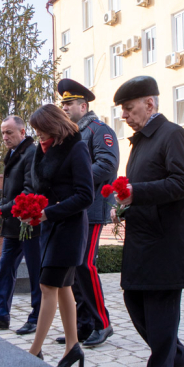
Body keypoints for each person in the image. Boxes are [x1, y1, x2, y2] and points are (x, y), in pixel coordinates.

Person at [111, 75, 184, 367]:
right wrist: (123, 206)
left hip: (166, 241)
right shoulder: (141, 141)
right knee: (134, 301)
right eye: (122, 110)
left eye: (129, 108)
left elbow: (181, 185)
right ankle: (175, 354)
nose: (124, 115)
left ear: (150, 104)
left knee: (160, 311)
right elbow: (143, 187)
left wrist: (135, 192)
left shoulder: (172, 135)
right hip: (142, 238)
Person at [26, 104, 93, 367]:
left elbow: (86, 195)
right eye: (35, 130)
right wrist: (28, 209)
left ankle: (34, 351)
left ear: (53, 124)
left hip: (69, 228)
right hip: (50, 226)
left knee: (47, 286)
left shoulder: (77, 147)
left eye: (41, 128)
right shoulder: (44, 150)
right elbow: (40, 188)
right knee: (64, 288)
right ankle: (72, 347)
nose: (38, 134)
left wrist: (48, 213)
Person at [58, 78, 120, 347]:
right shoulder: (71, 135)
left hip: (92, 207)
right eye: (63, 104)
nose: (64, 108)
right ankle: (83, 325)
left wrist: (75, 180)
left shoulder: (99, 130)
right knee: (74, 266)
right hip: (74, 207)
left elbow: (106, 165)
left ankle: (102, 323)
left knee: (85, 264)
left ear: (83, 106)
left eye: (69, 104)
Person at [0, 116, 42, 334]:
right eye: (3, 133)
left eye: (9, 132)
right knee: (5, 269)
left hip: (30, 225)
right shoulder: (14, 153)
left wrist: (2, 210)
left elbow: (29, 191)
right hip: (14, 226)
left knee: (36, 273)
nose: (5, 137)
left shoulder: (31, 153)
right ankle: (0, 315)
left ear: (22, 132)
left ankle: (37, 318)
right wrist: (0, 210)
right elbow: (12, 191)